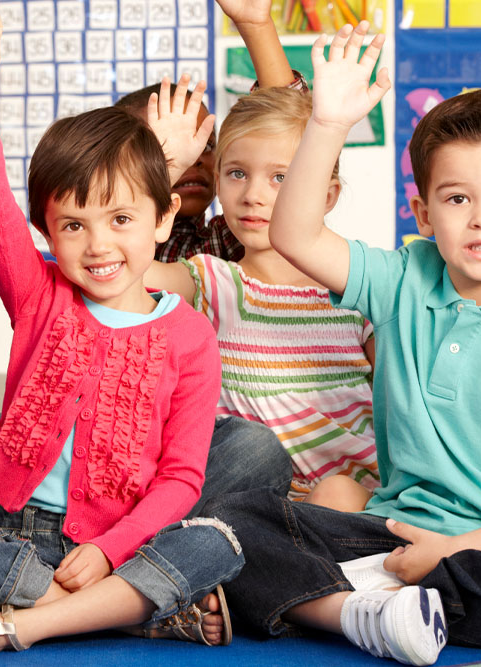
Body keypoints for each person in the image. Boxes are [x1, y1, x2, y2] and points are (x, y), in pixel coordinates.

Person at [206, 22, 481, 666]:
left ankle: (340, 604)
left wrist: (460, 551)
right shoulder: (400, 279)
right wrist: (327, 123)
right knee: (232, 525)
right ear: (422, 212)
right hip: (386, 533)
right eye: (457, 198)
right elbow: (296, 235)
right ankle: (364, 608)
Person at [0, 15, 245, 657]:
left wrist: (108, 549)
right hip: (22, 535)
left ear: (165, 216)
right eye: (73, 224)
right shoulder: (39, 294)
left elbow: (179, 481)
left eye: (121, 218)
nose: (99, 245)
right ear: (48, 232)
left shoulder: (191, 336)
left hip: (128, 538)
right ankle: (133, 614)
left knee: (216, 544)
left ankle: (21, 624)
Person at [145, 84, 379, 512]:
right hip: (251, 500)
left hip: (351, 502)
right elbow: (128, 266)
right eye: (237, 173)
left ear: (325, 195)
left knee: (338, 495)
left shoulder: (360, 292)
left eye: (280, 177)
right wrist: (164, 171)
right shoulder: (210, 281)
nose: (253, 194)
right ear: (217, 181)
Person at [114, 0, 303, 263]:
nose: (195, 158)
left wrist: (257, 27)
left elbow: (289, 128)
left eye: (208, 145)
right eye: (167, 146)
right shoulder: (109, 245)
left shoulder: (229, 241)